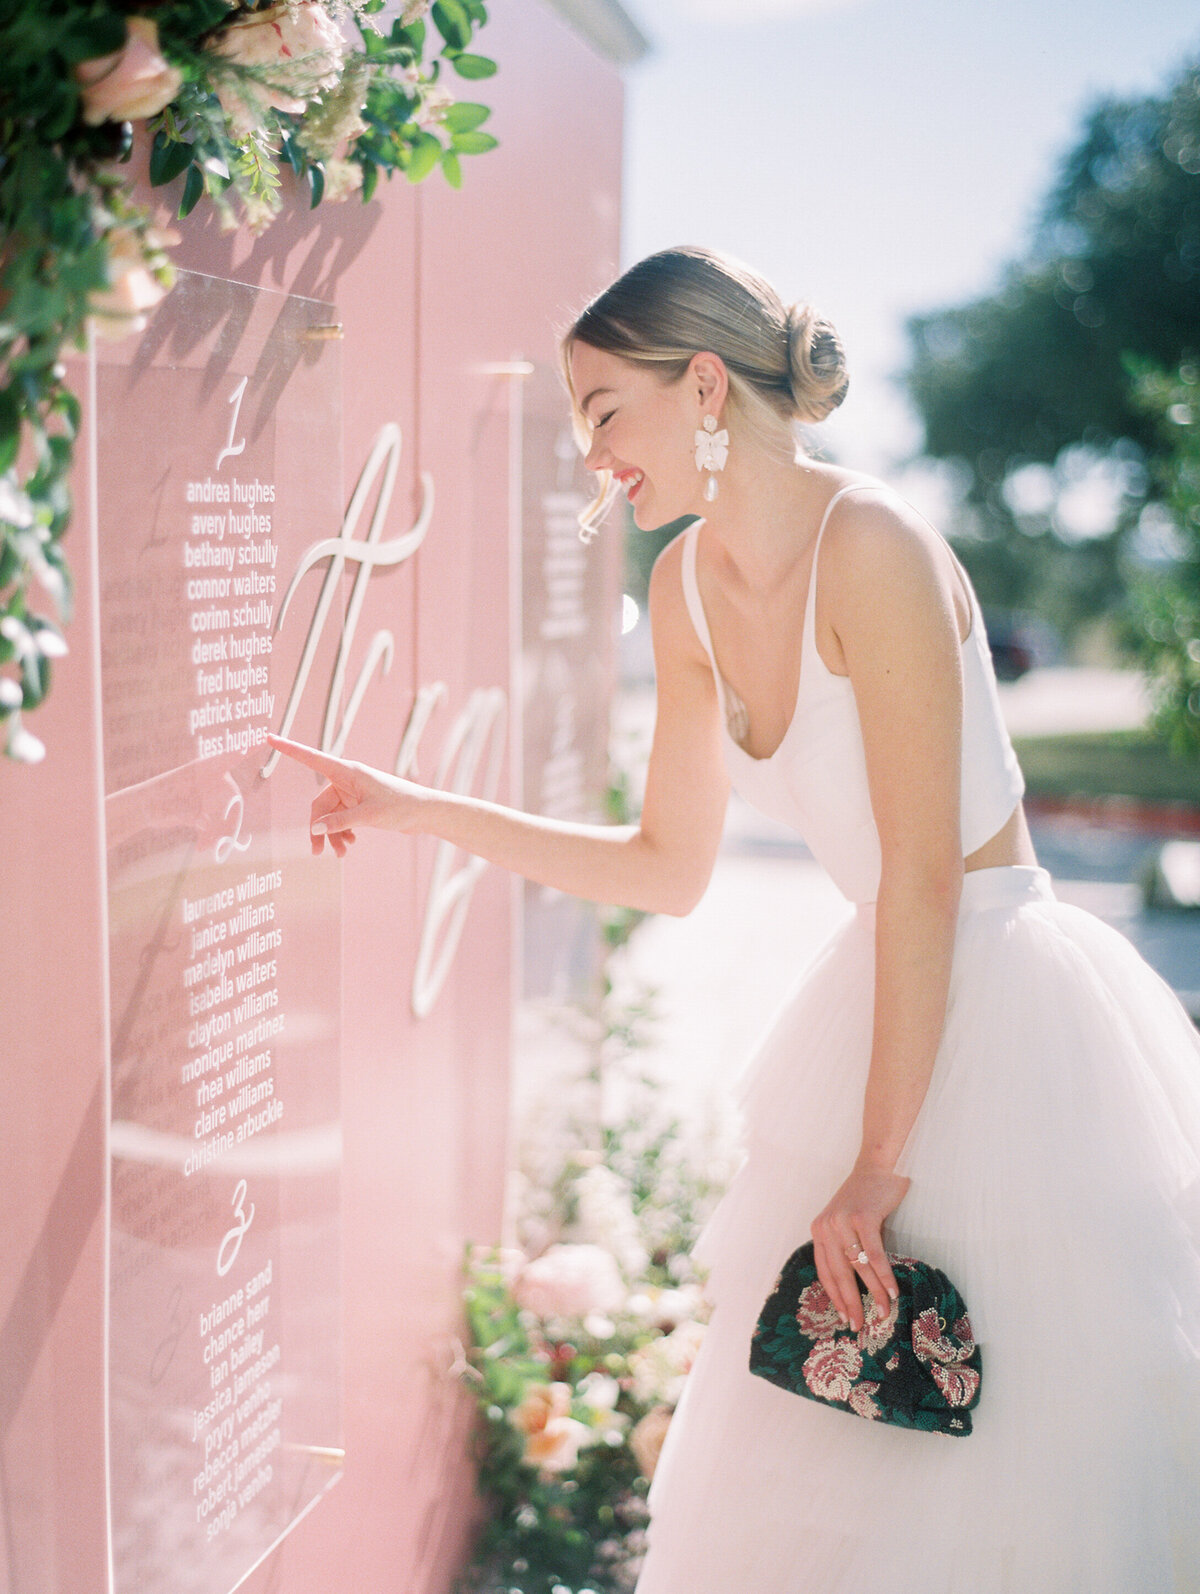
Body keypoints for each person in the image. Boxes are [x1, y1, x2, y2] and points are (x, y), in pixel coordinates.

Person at [269, 246, 1200, 1592]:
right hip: (880, 992)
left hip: (1000, 1004)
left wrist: (881, 1163)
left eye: (604, 412)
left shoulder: (869, 542)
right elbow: (666, 865)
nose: (593, 455)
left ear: (703, 383)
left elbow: (930, 878)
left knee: (1022, 1470)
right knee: (825, 1475)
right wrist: (418, 807)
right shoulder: (686, 590)